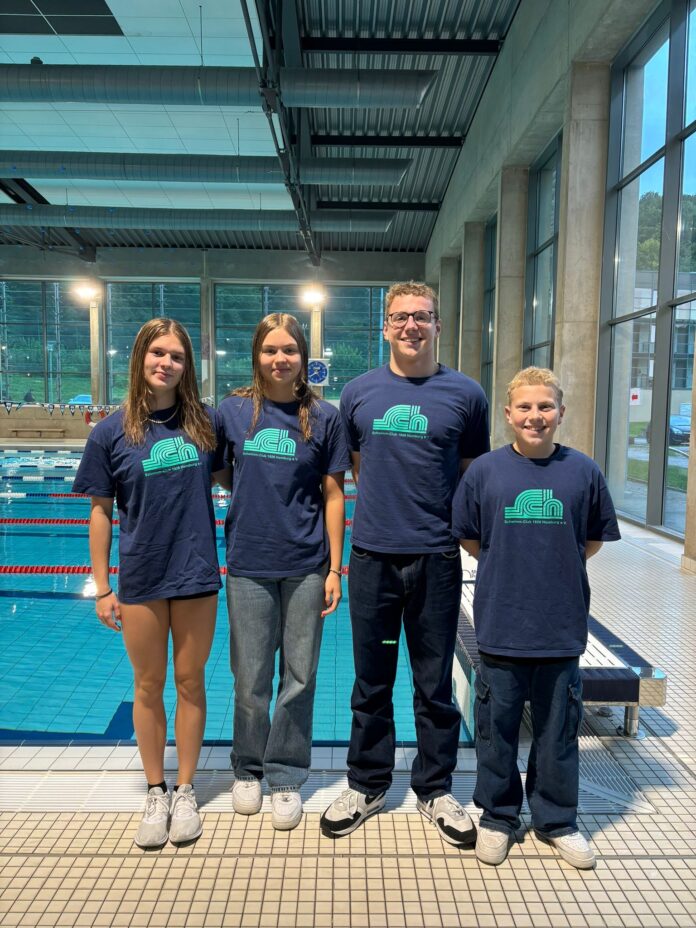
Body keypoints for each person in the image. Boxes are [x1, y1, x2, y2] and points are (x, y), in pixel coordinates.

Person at [320, 281, 490, 845]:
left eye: (422, 316)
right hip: (371, 557)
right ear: (385, 327)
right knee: (371, 681)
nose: (411, 326)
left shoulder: (466, 394)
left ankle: (435, 790)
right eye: (400, 317)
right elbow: (357, 469)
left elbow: (471, 474)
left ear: (438, 324)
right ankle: (367, 784)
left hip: (438, 558)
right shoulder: (359, 392)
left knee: (434, 682)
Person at [452, 367, 620, 868]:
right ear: (508, 414)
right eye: (524, 407)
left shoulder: (583, 471)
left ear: (560, 413)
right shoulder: (484, 471)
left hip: (561, 626)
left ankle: (555, 820)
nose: (535, 416)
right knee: (495, 730)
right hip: (502, 625)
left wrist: (551, 568)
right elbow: (470, 537)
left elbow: (590, 540)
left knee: (558, 731)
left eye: (545, 407)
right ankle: (499, 817)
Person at [73, 318, 223, 849]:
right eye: (157, 353)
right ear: (139, 359)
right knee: (146, 684)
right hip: (140, 575)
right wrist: (102, 585)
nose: (166, 363)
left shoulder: (205, 424)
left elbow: (239, 475)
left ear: (188, 367)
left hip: (197, 572)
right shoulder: (111, 431)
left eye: (177, 356)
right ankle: (155, 790)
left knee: (190, 681)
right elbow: (99, 511)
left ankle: (186, 790)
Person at [217, 312, 349, 831]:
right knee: (249, 677)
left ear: (303, 357)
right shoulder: (233, 411)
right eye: (270, 349)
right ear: (257, 354)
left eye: (289, 350)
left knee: (300, 676)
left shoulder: (323, 417)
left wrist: (336, 567)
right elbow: (226, 472)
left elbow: (334, 493)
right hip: (248, 563)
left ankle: (286, 773)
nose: (280, 359)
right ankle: (246, 768)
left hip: (306, 565)